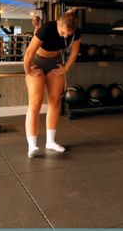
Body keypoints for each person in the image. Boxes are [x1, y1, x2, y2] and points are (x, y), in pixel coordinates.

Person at [24, 11, 80, 158]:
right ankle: (32, 145)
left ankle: (50, 142)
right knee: (35, 103)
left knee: (55, 101)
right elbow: (29, 52)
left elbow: (74, 52)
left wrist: (66, 68)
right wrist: (28, 71)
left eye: (68, 34)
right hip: (37, 62)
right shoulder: (47, 28)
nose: (65, 36)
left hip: (54, 63)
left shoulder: (74, 31)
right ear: (58, 23)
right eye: (62, 32)